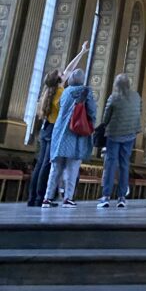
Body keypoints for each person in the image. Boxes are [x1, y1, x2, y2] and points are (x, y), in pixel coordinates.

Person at [27, 42, 89, 207]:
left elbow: (69, 68)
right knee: (47, 164)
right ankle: (41, 198)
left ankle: (33, 198)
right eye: (63, 74)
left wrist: (82, 52)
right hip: (55, 130)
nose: (65, 73)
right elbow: (66, 111)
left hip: (45, 129)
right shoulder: (61, 93)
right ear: (60, 79)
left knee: (40, 164)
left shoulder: (48, 91)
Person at [41, 69, 97, 208]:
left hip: (59, 132)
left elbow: (61, 107)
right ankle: (67, 198)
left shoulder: (65, 91)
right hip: (75, 132)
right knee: (72, 167)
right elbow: (92, 111)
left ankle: (47, 198)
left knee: (56, 167)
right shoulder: (85, 91)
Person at [97, 73, 142, 209]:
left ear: (116, 85)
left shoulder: (114, 97)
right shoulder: (136, 96)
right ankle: (122, 197)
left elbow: (106, 118)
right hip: (130, 135)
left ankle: (106, 197)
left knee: (110, 165)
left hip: (114, 135)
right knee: (124, 165)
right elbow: (139, 111)